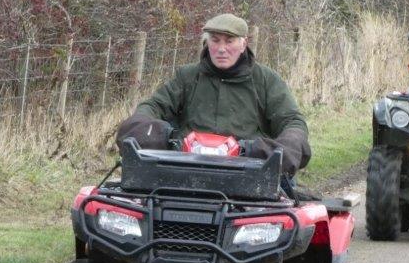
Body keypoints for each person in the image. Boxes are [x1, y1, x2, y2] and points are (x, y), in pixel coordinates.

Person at [116, 13, 311, 176]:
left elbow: (292, 121)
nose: (221, 49)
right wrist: (148, 130)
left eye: (229, 41)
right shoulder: (187, 76)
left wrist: (281, 146)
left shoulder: (266, 80)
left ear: (244, 44)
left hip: (248, 170)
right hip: (185, 166)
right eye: (215, 41)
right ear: (206, 43)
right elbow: (153, 106)